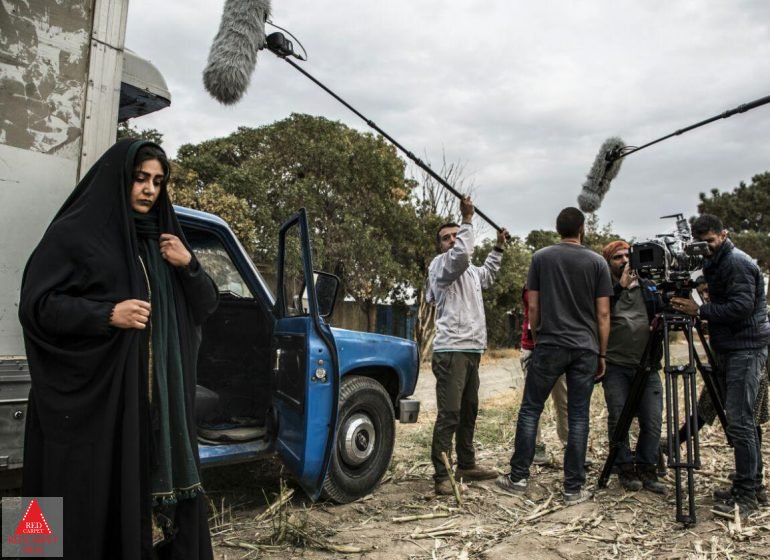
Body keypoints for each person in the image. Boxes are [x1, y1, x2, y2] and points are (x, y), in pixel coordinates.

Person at [19, 139, 219, 558]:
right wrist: (107, 314)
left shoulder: (165, 242)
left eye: (158, 182)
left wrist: (190, 265)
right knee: (81, 497)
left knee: (135, 501)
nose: (149, 189)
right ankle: (35, 550)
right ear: (120, 178)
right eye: (140, 178)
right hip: (95, 401)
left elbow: (206, 306)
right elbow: (38, 306)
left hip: (153, 406)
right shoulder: (76, 234)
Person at [497, 207, 612, 504]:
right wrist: (602, 353)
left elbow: (533, 307)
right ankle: (573, 488)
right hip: (585, 348)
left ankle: (518, 477)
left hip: (549, 343)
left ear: (558, 229)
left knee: (531, 409)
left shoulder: (541, 258)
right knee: (578, 415)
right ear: (582, 229)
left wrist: (538, 339)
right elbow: (603, 314)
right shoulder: (598, 263)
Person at [671, 214, 770, 517]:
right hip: (732, 347)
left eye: (711, 242)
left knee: (740, 422)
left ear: (723, 235)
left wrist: (700, 311)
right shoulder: (716, 262)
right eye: (701, 244)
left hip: (746, 348)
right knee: (744, 421)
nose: (707, 248)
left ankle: (747, 495)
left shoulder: (736, 262)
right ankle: (751, 485)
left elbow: (742, 307)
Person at [426, 196, 508, 495]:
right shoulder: (442, 265)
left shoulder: (470, 271)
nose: (451, 240)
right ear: (440, 245)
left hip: (472, 349)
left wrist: (498, 247)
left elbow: (487, 275)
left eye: (454, 235)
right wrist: (467, 219)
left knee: (469, 410)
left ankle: (466, 464)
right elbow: (461, 255)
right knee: (450, 413)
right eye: (446, 238)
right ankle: (442, 474)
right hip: (451, 349)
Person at [601, 240, 665, 494]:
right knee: (619, 418)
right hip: (616, 365)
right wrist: (620, 287)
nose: (625, 261)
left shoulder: (649, 287)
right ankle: (625, 467)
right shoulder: (605, 289)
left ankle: (647, 466)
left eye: (628, 256)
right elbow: (598, 314)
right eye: (618, 257)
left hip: (647, 366)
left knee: (652, 419)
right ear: (609, 262)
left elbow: (663, 313)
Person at [520, 285, 568, 465]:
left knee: (563, 399)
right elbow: (534, 308)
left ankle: (570, 444)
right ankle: (535, 447)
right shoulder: (532, 284)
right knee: (533, 403)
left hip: (559, 347)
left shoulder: (560, 280)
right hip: (534, 348)